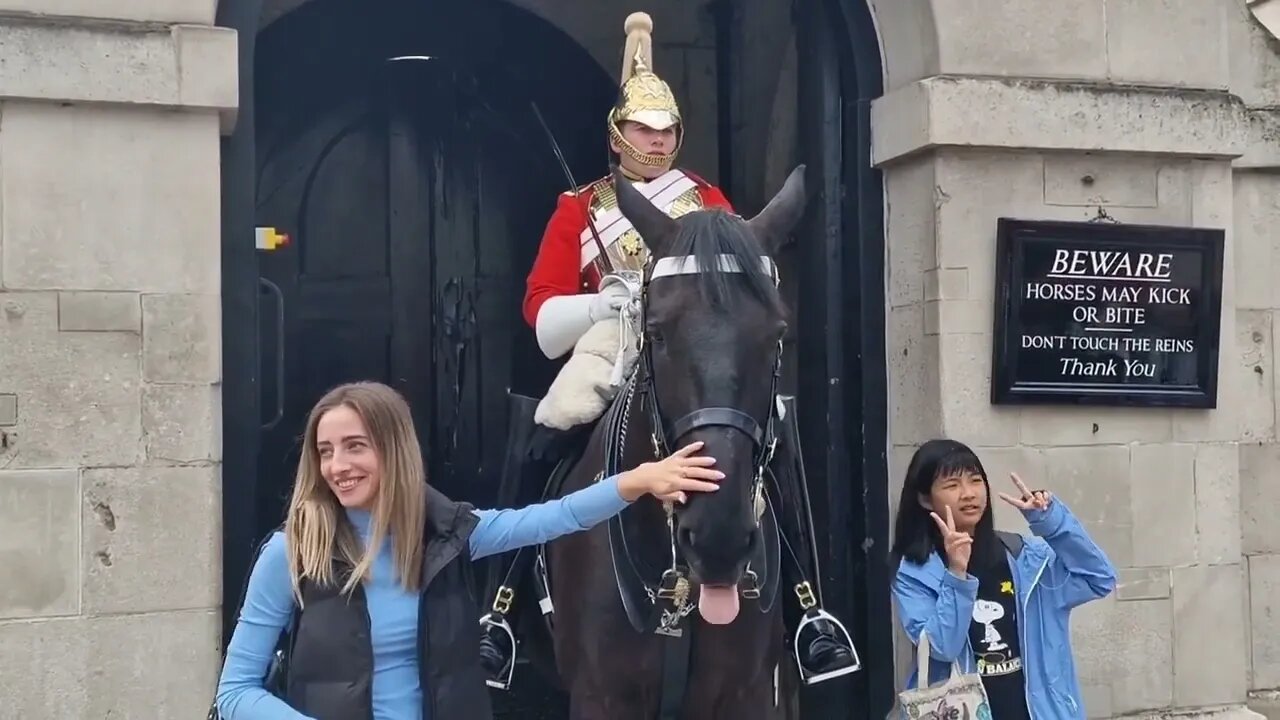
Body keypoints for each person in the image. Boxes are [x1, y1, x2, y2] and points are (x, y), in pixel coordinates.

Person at [479, 10, 860, 691]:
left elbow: (741, 280)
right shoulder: (581, 208)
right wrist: (607, 302)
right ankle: (501, 610)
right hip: (609, 343)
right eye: (640, 130)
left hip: (698, 350)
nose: (653, 143)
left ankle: (809, 610)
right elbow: (541, 309)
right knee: (550, 426)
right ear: (616, 134)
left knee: (775, 435)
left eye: (664, 131)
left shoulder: (707, 202)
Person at [213, 381, 725, 720]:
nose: (337, 465)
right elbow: (234, 694)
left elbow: (553, 517)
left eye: (355, 445)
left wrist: (636, 481)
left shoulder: (447, 535)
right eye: (326, 451)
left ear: (393, 450)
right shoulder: (291, 554)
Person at [890, 439, 1117, 718]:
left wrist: (1052, 524)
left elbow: (1098, 579)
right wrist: (957, 575)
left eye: (975, 481)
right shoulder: (915, 573)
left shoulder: (1026, 558)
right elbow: (943, 649)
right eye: (952, 485)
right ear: (925, 499)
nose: (968, 494)